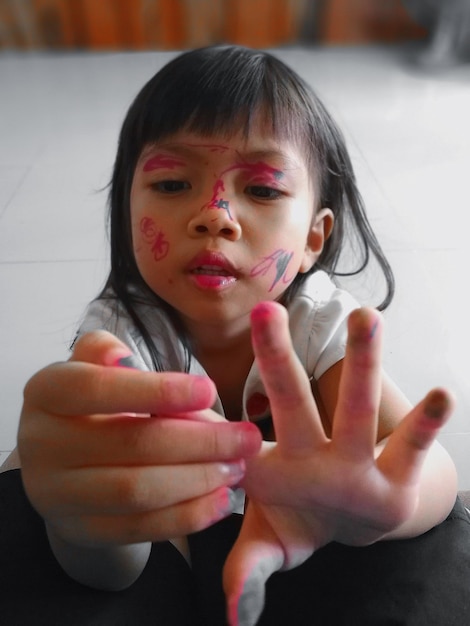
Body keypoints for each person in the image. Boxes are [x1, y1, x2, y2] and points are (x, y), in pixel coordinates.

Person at [2, 45, 468, 626]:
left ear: (313, 241)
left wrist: (379, 504)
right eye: (172, 184)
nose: (215, 214)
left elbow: (427, 469)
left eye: (264, 190)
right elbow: (117, 567)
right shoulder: (121, 336)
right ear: (127, 214)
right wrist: (80, 524)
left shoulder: (319, 320)